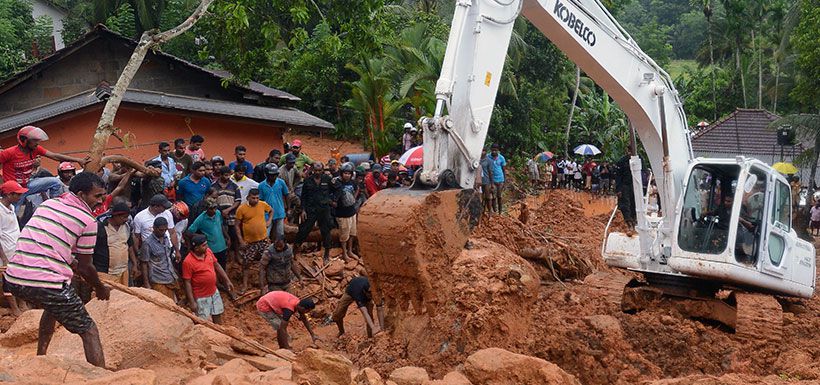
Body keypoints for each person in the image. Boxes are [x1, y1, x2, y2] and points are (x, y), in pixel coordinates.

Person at [3, 172, 109, 367]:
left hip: (13, 278)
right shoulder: (88, 221)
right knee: (89, 330)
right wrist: (100, 287)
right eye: (97, 196)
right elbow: (86, 268)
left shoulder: (48, 205)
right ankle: (101, 377)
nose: (101, 201)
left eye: (103, 196)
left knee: (52, 307)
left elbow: (51, 243)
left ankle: (41, 357)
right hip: (45, 281)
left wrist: (73, 263)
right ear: (81, 194)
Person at [183, 234, 234, 323]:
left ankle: (219, 331)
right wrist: (192, 302)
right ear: (196, 248)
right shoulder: (188, 262)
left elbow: (217, 265)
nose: (207, 246)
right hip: (201, 296)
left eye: (206, 244)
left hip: (214, 291)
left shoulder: (208, 252)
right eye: (204, 245)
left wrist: (227, 280)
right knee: (203, 321)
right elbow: (187, 282)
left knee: (217, 313)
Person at [294, 162, 335, 263]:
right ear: (312, 170)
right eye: (315, 170)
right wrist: (303, 210)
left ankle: (326, 254)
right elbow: (303, 196)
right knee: (304, 230)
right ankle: (294, 251)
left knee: (326, 231)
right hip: (311, 210)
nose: (317, 172)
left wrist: (332, 200)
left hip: (324, 210)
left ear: (322, 170)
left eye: (319, 170)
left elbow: (337, 189)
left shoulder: (327, 179)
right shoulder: (308, 181)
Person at [235, 188, 272, 292]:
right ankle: (245, 285)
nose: (255, 200)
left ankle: (265, 283)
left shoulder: (263, 204)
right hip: (250, 242)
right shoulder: (241, 209)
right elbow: (237, 225)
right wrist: (241, 240)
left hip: (263, 240)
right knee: (246, 263)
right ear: (248, 197)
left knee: (266, 261)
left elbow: (271, 210)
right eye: (253, 198)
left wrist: (269, 220)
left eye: (257, 198)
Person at [92, 202, 137, 286]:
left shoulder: (126, 227)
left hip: (123, 270)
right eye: (124, 217)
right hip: (105, 271)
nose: (126, 219)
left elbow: (129, 246)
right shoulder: (101, 228)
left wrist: (134, 264)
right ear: (116, 216)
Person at [0, 181, 26, 315]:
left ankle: (22, 303)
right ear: (9, 194)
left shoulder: (11, 207)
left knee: (20, 276)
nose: (20, 197)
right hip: (6, 251)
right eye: (18, 194)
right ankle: (14, 308)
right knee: (8, 280)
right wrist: (4, 258)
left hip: (17, 248)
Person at [139, 216, 179, 299]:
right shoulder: (147, 243)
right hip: (157, 279)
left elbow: (167, 257)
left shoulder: (166, 238)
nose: (163, 232)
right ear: (154, 228)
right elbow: (144, 264)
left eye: (165, 230)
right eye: (161, 230)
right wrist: (146, 283)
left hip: (169, 276)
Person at [187, 197, 231, 270]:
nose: (214, 210)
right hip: (211, 249)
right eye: (211, 209)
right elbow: (188, 233)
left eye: (215, 208)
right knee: (212, 268)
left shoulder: (218, 213)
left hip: (222, 245)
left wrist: (227, 237)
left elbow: (221, 225)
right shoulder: (200, 219)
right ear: (206, 209)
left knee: (223, 266)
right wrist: (202, 237)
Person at [333, 163, 359, 261]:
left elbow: (357, 189)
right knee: (344, 235)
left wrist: (353, 199)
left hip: (351, 211)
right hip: (342, 213)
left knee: (352, 233)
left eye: (349, 173)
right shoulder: (337, 183)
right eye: (345, 173)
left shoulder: (352, 182)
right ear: (341, 173)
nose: (347, 175)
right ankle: (344, 253)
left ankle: (350, 251)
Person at [258, 164, 288, 241]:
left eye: (275, 175)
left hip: (279, 212)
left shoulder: (281, 182)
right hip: (266, 214)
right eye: (271, 175)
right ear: (266, 175)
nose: (274, 177)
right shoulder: (261, 185)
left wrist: (288, 208)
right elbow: (260, 200)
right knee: (266, 235)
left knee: (280, 235)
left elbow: (286, 195)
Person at [488, 143, 506, 213]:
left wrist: (505, 181)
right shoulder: (488, 157)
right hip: (492, 180)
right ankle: (495, 211)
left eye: (495, 150)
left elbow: (504, 170)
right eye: (492, 150)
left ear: (498, 150)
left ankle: (500, 212)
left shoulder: (501, 158)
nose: (494, 152)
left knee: (499, 196)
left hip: (500, 180)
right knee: (493, 197)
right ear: (491, 150)